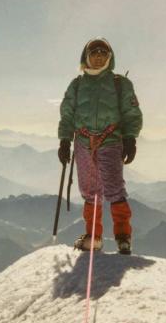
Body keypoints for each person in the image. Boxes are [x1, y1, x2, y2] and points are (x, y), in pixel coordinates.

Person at [57, 37, 143, 255]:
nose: (98, 56)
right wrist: (65, 140)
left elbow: (131, 113)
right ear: (86, 57)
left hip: (111, 141)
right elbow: (67, 115)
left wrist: (130, 138)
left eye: (103, 53)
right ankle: (94, 238)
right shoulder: (76, 85)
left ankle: (123, 237)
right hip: (83, 143)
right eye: (94, 53)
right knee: (89, 191)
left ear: (110, 57)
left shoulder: (120, 84)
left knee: (114, 189)